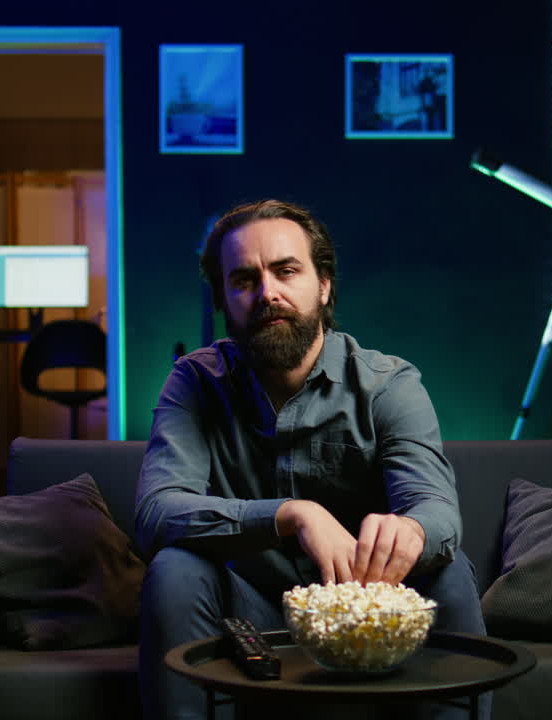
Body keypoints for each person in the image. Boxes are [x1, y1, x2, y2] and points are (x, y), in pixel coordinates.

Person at [134, 199, 489, 720]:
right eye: (244, 280)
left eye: (286, 271)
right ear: (223, 299)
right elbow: (156, 511)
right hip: (246, 615)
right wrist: (292, 516)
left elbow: (437, 511)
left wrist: (412, 531)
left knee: (449, 569)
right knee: (174, 570)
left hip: (368, 612)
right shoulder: (195, 381)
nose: (267, 293)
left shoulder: (388, 383)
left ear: (323, 285)